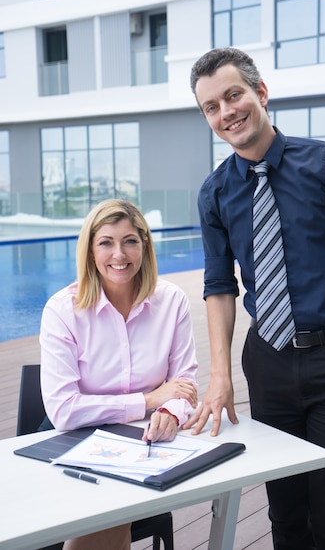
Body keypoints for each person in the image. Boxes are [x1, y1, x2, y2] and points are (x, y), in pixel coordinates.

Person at [184, 47, 325, 550]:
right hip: (268, 363)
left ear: (260, 93)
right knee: (287, 512)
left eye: (234, 95)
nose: (226, 111)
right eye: (212, 106)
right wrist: (221, 374)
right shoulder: (215, 193)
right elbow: (218, 287)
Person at [40, 199, 198, 550]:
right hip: (72, 441)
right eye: (106, 242)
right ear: (90, 250)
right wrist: (150, 400)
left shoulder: (171, 302)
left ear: (144, 245)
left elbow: (185, 384)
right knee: (115, 502)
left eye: (129, 241)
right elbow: (64, 411)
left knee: (117, 501)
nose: (119, 254)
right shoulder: (62, 310)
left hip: (144, 444)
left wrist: (170, 412)